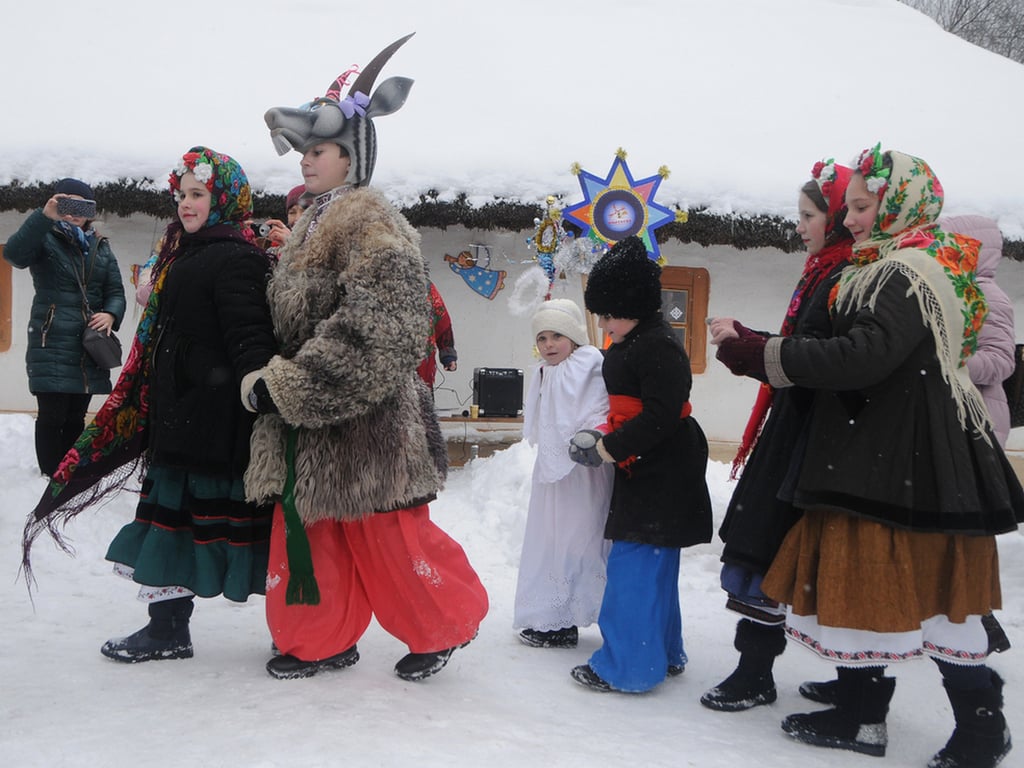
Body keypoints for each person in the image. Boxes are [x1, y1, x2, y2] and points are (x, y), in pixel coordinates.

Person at [715, 146, 1022, 767]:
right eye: (848, 206)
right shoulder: (892, 263)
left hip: (904, 467)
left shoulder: (910, 270)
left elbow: (864, 356)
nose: (849, 219)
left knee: (933, 602)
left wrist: (766, 351)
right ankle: (864, 716)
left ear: (900, 203)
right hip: (884, 458)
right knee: (889, 593)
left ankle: (980, 729)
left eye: (861, 206)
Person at [245, 34, 488, 682]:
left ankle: (440, 628)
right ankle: (317, 639)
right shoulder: (308, 226)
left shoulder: (370, 221)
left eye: (318, 149)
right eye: (303, 150)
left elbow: (385, 324)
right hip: (307, 422)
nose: (306, 160)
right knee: (314, 539)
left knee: (390, 541)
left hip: (370, 422)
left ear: (352, 155)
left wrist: (297, 383)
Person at [23, 147, 278, 664]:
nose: (185, 203)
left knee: (240, 534)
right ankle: (167, 630)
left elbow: (249, 333)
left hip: (214, 425)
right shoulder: (185, 248)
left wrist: (256, 381)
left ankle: (294, 631)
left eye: (198, 194)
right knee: (170, 526)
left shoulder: (237, 256)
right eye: (181, 194)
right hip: (177, 417)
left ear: (224, 198)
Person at [700, 159, 855, 712]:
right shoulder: (825, 272)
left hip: (811, 438)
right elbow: (804, 347)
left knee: (775, 551)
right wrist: (747, 338)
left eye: (809, 216)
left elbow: (819, 359)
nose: (799, 226)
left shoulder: (845, 275)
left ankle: (759, 675)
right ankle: (840, 680)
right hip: (798, 429)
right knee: (773, 548)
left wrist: (749, 349)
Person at [566, 235, 713, 693]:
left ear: (633, 304)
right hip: (645, 461)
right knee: (652, 563)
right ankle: (663, 652)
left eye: (610, 314)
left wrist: (611, 447)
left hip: (662, 467)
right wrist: (607, 438)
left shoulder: (657, 346)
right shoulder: (633, 340)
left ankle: (627, 666)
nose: (605, 324)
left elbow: (660, 414)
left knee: (635, 565)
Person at [3, 178, 126, 476]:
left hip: (88, 343)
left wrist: (110, 314)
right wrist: (44, 217)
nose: (72, 211)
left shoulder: (101, 246)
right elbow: (14, 255)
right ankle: (49, 474)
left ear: (90, 210)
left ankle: (69, 471)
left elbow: (116, 292)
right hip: (52, 338)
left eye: (79, 204)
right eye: (65, 203)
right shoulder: (44, 237)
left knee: (75, 416)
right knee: (52, 415)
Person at [514, 298, 613, 648]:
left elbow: (602, 406)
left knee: (582, 540)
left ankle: (589, 611)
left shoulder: (590, 363)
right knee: (551, 541)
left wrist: (591, 436)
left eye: (557, 335)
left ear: (573, 336)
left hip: (584, 470)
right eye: (542, 338)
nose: (549, 344)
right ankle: (555, 617)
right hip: (552, 474)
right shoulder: (541, 371)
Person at [416, 281, 458, 390]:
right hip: (380, 365)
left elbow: (441, 320)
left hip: (420, 361)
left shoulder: (424, 286)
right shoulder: (370, 284)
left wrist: (447, 354)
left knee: (419, 398)